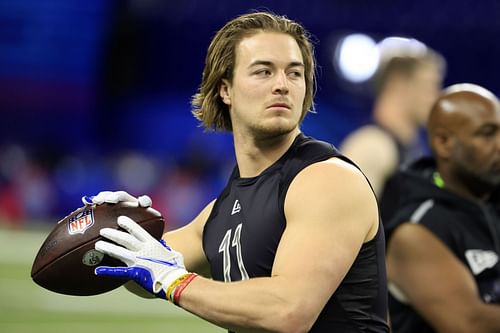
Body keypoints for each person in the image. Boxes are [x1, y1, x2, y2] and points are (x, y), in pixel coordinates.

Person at [84, 11, 389, 333]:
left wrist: (173, 280)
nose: (282, 85)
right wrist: (114, 227)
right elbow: (143, 271)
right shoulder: (223, 208)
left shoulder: (327, 180)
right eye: (263, 72)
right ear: (225, 90)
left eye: (295, 73)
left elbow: (288, 312)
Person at [385, 83, 500, 333]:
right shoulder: (415, 230)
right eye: (487, 133)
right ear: (444, 143)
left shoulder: (491, 206)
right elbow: (469, 324)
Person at [339, 39, 446, 223]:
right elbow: (342, 223)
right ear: (398, 84)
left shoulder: (411, 151)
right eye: (430, 86)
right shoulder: (372, 145)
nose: (436, 97)